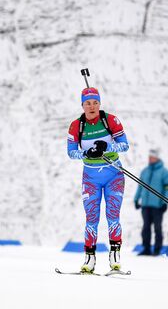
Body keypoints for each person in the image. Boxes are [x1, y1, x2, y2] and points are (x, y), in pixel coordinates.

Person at [67, 87, 129, 273]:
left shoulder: (110, 120)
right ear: (82, 105)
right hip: (91, 178)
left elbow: (125, 145)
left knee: (112, 216)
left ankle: (115, 257)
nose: (92, 106)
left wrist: (107, 145)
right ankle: (89, 259)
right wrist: (87, 152)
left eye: (95, 102)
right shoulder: (76, 125)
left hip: (114, 175)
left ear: (99, 103)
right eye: (88, 103)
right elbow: (71, 152)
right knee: (91, 218)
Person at [134, 149, 168, 256]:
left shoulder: (165, 173)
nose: (150, 159)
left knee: (157, 228)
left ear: (157, 158)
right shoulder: (145, 171)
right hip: (145, 205)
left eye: (152, 157)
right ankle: (146, 248)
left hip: (157, 206)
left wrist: (165, 202)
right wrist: (136, 199)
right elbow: (140, 186)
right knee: (145, 228)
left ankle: (157, 249)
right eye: (149, 157)